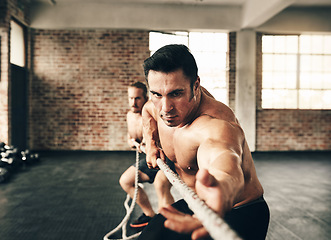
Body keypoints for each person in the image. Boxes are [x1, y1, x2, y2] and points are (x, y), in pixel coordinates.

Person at [138, 45, 270, 240]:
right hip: (197, 202)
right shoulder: (159, 103)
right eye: (157, 94)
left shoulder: (216, 125)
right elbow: (148, 110)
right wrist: (150, 143)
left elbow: (224, 163)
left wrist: (221, 191)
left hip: (239, 211)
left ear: (196, 85)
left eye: (176, 94)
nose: (165, 108)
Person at [119, 81, 175, 228]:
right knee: (126, 181)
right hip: (150, 160)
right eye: (131, 98)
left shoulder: (153, 113)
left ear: (145, 98)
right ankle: (150, 215)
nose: (133, 102)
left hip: (167, 157)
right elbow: (130, 136)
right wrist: (132, 142)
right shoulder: (130, 116)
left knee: (160, 185)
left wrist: (151, 142)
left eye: (137, 98)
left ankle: (171, 226)